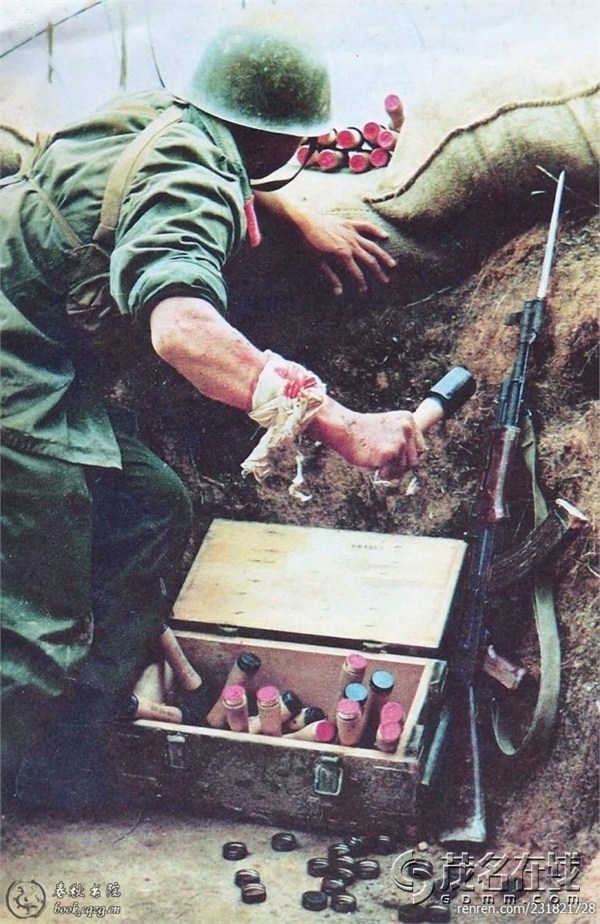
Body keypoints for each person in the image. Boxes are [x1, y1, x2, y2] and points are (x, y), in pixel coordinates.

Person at [0, 9, 424, 811]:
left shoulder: (163, 115)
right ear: (269, 145)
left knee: (152, 504)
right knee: (36, 630)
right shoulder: (200, 179)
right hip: (15, 370)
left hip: (39, 358)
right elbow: (184, 331)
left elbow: (210, 167)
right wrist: (340, 424)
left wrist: (289, 207)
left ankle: (64, 756)